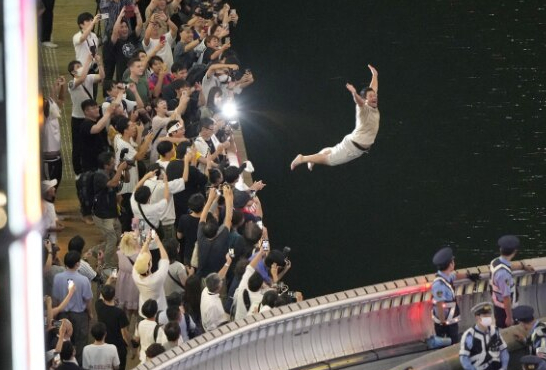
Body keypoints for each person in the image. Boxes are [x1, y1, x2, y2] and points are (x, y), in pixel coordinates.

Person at [290, 65, 380, 171]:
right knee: (329, 161)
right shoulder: (364, 109)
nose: (374, 97)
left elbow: (373, 88)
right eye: (371, 96)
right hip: (353, 147)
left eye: (375, 96)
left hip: (356, 146)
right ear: (365, 100)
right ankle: (303, 158)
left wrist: (375, 75)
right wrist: (354, 93)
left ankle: (313, 159)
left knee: (332, 151)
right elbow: (359, 102)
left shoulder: (373, 106)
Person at [430, 247, 479, 345]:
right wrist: (443, 322)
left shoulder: (446, 276)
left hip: (451, 320)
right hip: (445, 323)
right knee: (449, 344)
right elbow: (440, 305)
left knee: (454, 340)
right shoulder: (439, 285)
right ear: (450, 264)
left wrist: (468, 276)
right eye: (453, 261)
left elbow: (455, 275)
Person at [52, 251, 93, 365]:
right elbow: (88, 300)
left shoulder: (57, 278)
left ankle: (62, 365)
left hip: (62, 315)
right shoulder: (84, 280)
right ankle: (77, 365)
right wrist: (90, 313)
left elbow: (55, 299)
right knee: (80, 344)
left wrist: (54, 315)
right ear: (77, 264)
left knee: (61, 342)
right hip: (80, 316)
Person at [490, 235, 534, 328]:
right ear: (515, 251)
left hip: (498, 304)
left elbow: (508, 265)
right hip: (505, 309)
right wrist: (509, 318)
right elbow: (506, 297)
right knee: (507, 330)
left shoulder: (495, 262)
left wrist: (523, 267)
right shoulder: (503, 274)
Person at [93, 151, 128, 269]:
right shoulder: (99, 176)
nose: (114, 164)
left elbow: (125, 180)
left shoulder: (112, 172)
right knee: (112, 239)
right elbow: (113, 183)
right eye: (112, 163)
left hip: (112, 212)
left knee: (117, 237)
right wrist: (119, 170)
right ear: (105, 165)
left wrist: (125, 169)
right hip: (103, 215)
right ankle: (108, 265)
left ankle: (95, 250)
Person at [196, 185, 234, 278]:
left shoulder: (201, 237)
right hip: (218, 277)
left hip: (202, 276)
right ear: (217, 231)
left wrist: (210, 199)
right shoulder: (221, 239)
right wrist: (228, 198)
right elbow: (228, 218)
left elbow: (202, 218)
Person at [459, 302, 509, 370]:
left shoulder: (494, 331)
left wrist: (504, 367)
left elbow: (503, 350)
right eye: (485, 316)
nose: (488, 318)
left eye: (489, 315)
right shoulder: (469, 335)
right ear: (477, 317)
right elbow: (464, 358)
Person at [132, 232, 169, 318]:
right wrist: (158, 241)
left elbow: (140, 255)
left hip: (143, 312)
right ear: (149, 266)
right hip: (159, 313)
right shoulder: (156, 279)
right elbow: (165, 259)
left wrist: (147, 241)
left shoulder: (135, 273)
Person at [95, 285, 131, 370]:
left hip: (104, 344)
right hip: (118, 346)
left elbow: (101, 295)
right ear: (114, 296)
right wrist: (130, 346)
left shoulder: (98, 305)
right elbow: (124, 334)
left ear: (103, 296)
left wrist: (109, 280)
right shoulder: (119, 312)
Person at [43, 76, 66, 187]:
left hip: (56, 157)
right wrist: (55, 87)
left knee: (55, 185)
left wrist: (62, 87)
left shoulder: (53, 113)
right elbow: (50, 102)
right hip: (48, 160)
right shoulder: (45, 116)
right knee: (49, 187)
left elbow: (60, 100)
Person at [234, 244, 267, 320]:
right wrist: (265, 240)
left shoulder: (243, 285)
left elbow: (249, 268)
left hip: (237, 322)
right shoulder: (261, 299)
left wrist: (261, 251)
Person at [200, 253, 232, 331]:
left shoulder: (206, 289)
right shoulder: (213, 306)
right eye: (221, 282)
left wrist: (228, 262)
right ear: (218, 288)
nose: (222, 280)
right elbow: (211, 327)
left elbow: (219, 276)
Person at [134, 299, 167, 363]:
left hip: (142, 355)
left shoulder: (139, 324)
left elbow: (136, 339)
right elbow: (159, 347)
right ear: (156, 311)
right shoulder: (158, 328)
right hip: (153, 359)